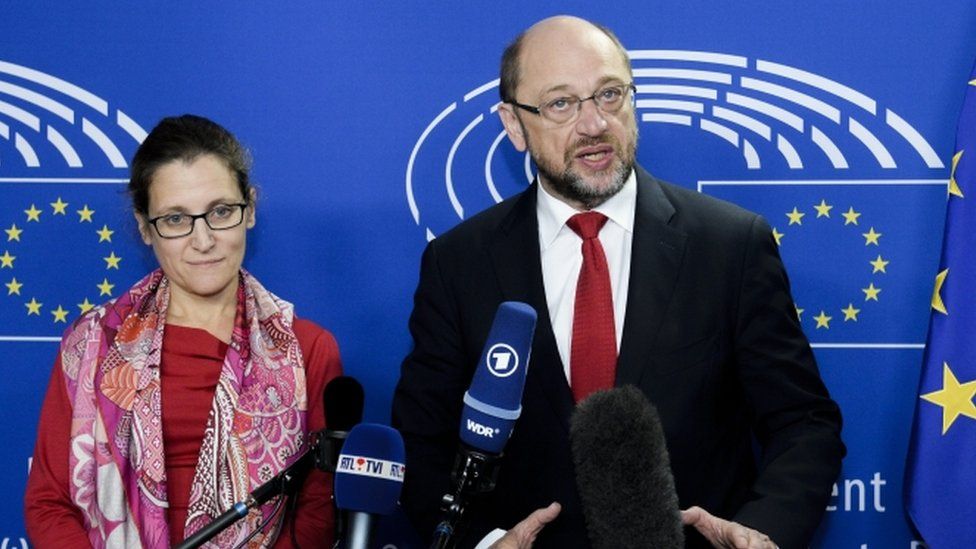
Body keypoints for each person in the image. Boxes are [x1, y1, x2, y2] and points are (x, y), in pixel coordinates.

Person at [392, 15, 844, 549]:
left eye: (609, 95)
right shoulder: (458, 263)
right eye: (561, 104)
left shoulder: (730, 245)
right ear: (514, 125)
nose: (594, 124)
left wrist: (762, 533)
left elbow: (803, 423)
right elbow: (421, 445)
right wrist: (485, 544)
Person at [24, 115, 342, 548]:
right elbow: (50, 501)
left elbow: (318, 511)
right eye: (176, 219)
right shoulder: (93, 342)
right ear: (144, 227)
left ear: (250, 208)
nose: (204, 239)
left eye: (221, 212)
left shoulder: (308, 349)